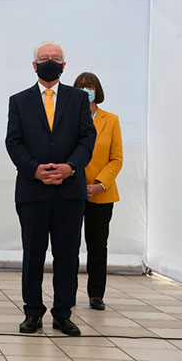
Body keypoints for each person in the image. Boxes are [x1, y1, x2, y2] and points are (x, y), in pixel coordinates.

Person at [5, 41, 96, 336]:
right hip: (33, 190)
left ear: (64, 65)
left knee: (67, 255)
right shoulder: (19, 100)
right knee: (33, 254)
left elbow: (87, 139)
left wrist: (70, 167)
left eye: (56, 58)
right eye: (44, 58)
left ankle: (63, 313)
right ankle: (32, 312)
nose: (50, 62)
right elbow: (13, 141)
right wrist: (35, 169)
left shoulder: (78, 99)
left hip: (70, 190)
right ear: (34, 65)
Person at [73, 72, 123, 311]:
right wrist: (78, 181)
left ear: (97, 90)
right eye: (81, 86)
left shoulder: (111, 120)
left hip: (101, 193)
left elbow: (116, 158)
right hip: (73, 190)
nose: (86, 90)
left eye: (90, 86)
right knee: (69, 245)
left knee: (97, 245)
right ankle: (67, 292)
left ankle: (96, 294)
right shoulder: (68, 119)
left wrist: (99, 184)